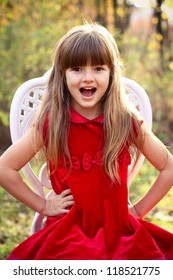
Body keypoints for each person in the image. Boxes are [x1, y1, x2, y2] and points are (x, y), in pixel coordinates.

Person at [0, 22, 173, 260]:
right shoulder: (54, 122)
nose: (88, 77)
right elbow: (4, 168)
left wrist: (139, 210)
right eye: (78, 69)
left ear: (112, 73)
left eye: (99, 68)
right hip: (67, 233)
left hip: (119, 233)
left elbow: (168, 167)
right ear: (63, 74)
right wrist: (43, 206)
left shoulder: (125, 120)